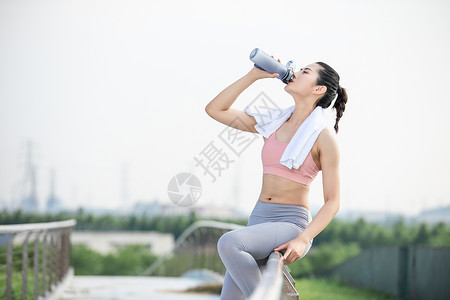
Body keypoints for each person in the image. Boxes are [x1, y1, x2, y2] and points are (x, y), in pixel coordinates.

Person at [205, 58, 348, 300]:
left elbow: (332, 202)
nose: (297, 72)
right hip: (259, 218)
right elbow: (215, 109)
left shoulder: (324, 138)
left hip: (291, 224)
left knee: (229, 243)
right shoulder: (273, 122)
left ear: (318, 89)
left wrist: (303, 239)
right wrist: (253, 75)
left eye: (306, 71)